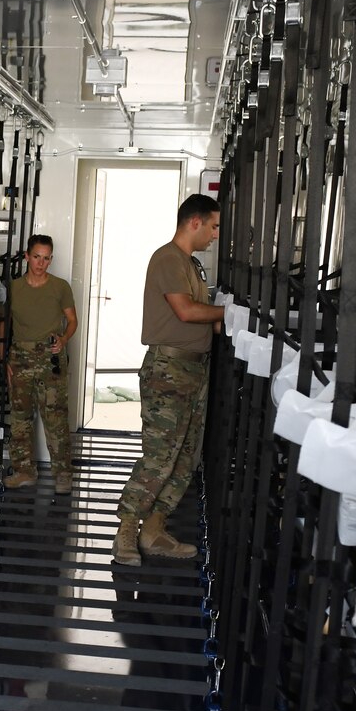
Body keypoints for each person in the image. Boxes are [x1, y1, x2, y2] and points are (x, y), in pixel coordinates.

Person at [113, 193, 224, 563]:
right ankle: (126, 532)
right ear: (195, 222)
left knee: (184, 458)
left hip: (194, 370)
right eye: (213, 226)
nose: (214, 235)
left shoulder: (191, 265)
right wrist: (227, 312)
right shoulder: (167, 259)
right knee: (159, 456)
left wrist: (222, 315)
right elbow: (186, 311)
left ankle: (154, 530)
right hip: (169, 371)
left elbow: (203, 313)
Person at [0, 234, 78, 494]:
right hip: (20, 357)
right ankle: (24, 471)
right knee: (20, 417)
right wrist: (4, 359)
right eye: (36, 257)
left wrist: (64, 339)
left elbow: (72, 320)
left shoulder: (60, 287)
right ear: (26, 257)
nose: (41, 263)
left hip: (50, 357)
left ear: (51, 259)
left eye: (46, 258)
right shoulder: (13, 288)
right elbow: (3, 324)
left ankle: (63, 474)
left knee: (55, 418)